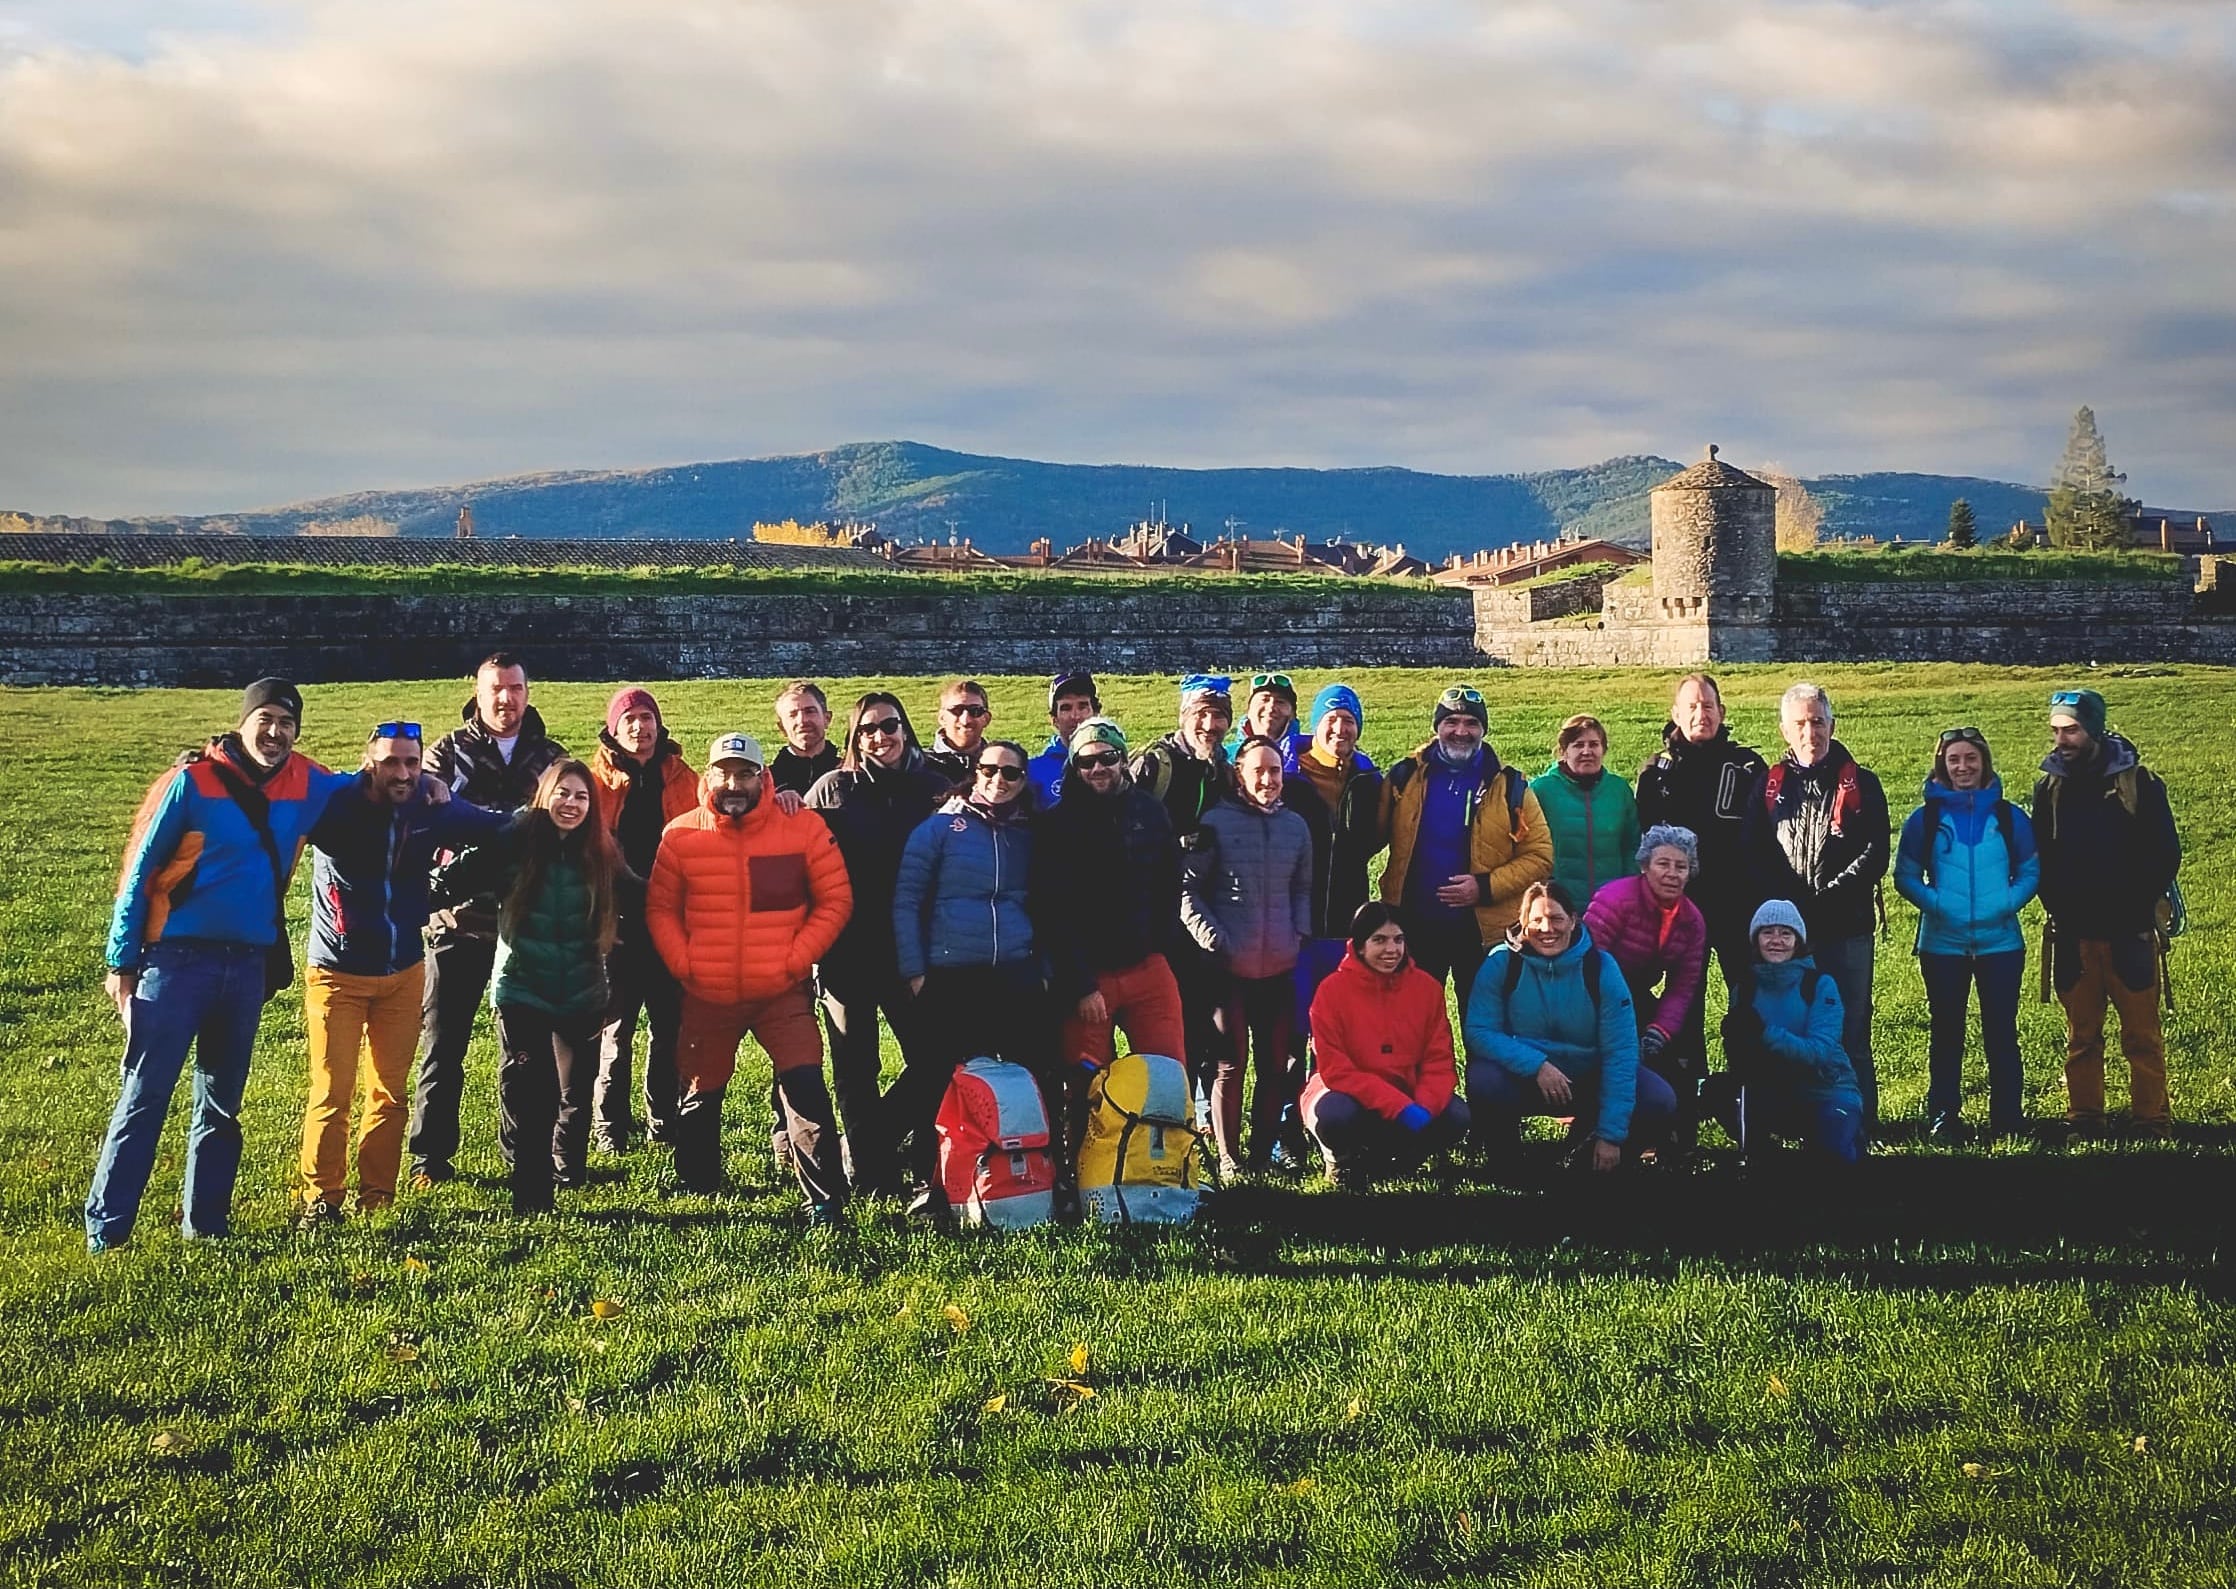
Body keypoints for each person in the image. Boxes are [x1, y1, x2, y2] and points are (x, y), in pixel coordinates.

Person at [89, 679, 359, 1252]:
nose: (275, 731)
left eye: (286, 722)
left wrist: (426, 783)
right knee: (145, 1095)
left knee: (221, 1105)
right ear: (242, 722)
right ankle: (107, 1232)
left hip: (246, 967)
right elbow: (140, 872)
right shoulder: (194, 783)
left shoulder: (308, 783)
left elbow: (368, 785)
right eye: (264, 718)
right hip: (175, 963)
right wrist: (122, 960)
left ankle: (206, 1226)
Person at [297, 722, 508, 1229]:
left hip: (403, 971)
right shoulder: (337, 801)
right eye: (391, 761)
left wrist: (555, 812)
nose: (403, 773)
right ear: (368, 760)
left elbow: (494, 826)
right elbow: (281, 794)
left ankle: (377, 1197)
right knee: (333, 1090)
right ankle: (321, 1200)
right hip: (337, 972)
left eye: (412, 763)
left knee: (389, 1092)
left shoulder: (428, 806)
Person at [646, 733, 854, 1216]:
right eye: (724, 772)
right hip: (707, 993)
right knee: (702, 1086)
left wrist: (797, 957)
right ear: (708, 776)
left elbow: (835, 899)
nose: (734, 783)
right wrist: (686, 963)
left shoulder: (800, 828)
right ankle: (700, 1184)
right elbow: (660, 909)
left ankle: (824, 1199)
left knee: (804, 1086)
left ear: (764, 778)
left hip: (781, 992)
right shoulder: (679, 835)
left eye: (745, 773)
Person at [410, 652, 568, 1187]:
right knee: (443, 1043)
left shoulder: (549, 757)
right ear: (477, 694)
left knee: (523, 1051)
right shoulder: (447, 753)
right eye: (496, 689)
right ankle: (429, 1157)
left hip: (525, 926)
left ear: (528, 690)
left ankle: (523, 1154)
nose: (507, 699)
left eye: (516, 688)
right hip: (457, 921)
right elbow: (427, 822)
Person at [889, 739, 1052, 1214]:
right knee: (938, 1083)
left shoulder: (1029, 833)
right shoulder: (940, 828)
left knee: (1031, 1076)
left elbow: (1044, 904)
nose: (998, 781)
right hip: (951, 973)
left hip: (1015, 972)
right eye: (988, 770)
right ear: (974, 772)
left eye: (1010, 774)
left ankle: (1028, 1176)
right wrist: (915, 971)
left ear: (1024, 781)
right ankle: (933, 1184)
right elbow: (906, 900)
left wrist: (1042, 969)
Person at [802, 692, 952, 1195]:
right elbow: (797, 856)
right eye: (867, 729)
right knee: (854, 1066)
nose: (879, 737)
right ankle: (872, 1176)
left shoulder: (935, 788)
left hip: (914, 950)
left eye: (889, 725)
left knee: (934, 1057)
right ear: (853, 736)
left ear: (905, 728)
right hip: (846, 952)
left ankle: (888, 1144)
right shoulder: (831, 790)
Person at [2030, 688, 2181, 1136]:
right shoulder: (2049, 787)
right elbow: (2041, 858)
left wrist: (2135, 908)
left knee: (2142, 1037)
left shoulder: (2141, 784)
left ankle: (2151, 1119)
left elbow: (2165, 854)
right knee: (2081, 1038)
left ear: (2093, 730)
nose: (2062, 740)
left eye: (2071, 730)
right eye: (2057, 730)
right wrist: (2060, 908)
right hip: (2074, 934)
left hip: (2130, 932)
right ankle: (2085, 1117)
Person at [1032, 717, 1186, 1151]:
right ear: (1073, 767)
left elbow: (1170, 884)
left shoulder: (1150, 812)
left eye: (1107, 758)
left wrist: (1160, 947)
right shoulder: (1058, 824)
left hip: (1147, 965)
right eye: (1085, 762)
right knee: (1085, 1081)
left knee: (1167, 1071)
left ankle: (1170, 1165)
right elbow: (1053, 911)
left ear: (1122, 758)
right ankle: (1086, 1171)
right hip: (1089, 977)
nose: (1097, 769)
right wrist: (1080, 984)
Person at [482, 760, 623, 1214]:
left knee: (575, 1091)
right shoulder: (514, 843)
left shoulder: (602, 852)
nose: (572, 804)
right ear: (544, 797)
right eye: (563, 793)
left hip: (582, 991)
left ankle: (569, 1169)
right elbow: (461, 874)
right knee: (534, 1093)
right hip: (523, 987)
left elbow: (641, 894)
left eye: (582, 797)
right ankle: (532, 1194)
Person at [1750, 681, 1889, 1126]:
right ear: (1784, 731)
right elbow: (1753, 849)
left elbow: (1875, 854)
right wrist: (1790, 905)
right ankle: (1800, 1117)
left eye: (1817, 721)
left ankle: (1859, 1118)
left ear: (1832, 724)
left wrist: (1826, 900)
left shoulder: (1862, 783)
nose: (1810, 732)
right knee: (1792, 1026)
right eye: (1800, 724)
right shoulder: (1770, 785)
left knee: (1851, 1025)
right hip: (1790, 934)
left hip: (1845, 926)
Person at [1462, 880, 1673, 1172]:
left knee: (1658, 1098)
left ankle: (1592, 1156)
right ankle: (1506, 1163)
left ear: (1574, 921)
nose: (1547, 929)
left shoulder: (1602, 968)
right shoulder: (1501, 963)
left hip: (1589, 1076)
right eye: (1536, 920)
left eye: (1556, 918)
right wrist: (1537, 1065)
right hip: (1527, 1077)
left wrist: (1612, 1135)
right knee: (1483, 1078)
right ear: (1523, 923)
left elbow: (1621, 1053)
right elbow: (1478, 1030)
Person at [1893, 726, 2040, 1142]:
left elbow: (2031, 871)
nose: (1963, 767)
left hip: (2001, 943)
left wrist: (2006, 904)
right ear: (1942, 764)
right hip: (1942, 944)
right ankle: (1944, 1115)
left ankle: (2008, 1117)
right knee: (1946, 1032)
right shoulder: (1925, 820)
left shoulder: (2010, 817)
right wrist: (1939, 905)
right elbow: (1904, 876)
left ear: (1984, 763)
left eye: (1970, 759)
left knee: (2001, 1032)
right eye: (1954, 759)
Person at [1181, 735, 1313, 1178]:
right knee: (1229, 1065)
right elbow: (1187, 890)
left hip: (1279, 966)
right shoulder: (1215, 822)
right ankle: (1229, 1158)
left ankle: (1261, 1157)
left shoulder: (1296, 826)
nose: (1267, 779)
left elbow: (1303, 887)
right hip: (1227, 969)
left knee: (1275, 1064)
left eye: (1274, 771)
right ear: (1239, 774)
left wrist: (1299, 931)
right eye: (1257, 770)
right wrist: (1212, 938)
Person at [1379, 684, 1554, 1012]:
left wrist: (1484, 887)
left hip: (1481, 933)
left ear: (1483, 730)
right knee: (1412, 1023)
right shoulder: (1404, 777)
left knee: (1483, 1028)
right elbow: (1369, 836)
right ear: (1437, 727)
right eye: (1452, 722)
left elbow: (1540, 855)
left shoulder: (1510, 786)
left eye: (1471, 723)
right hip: (1414, 928)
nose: (1461, 731)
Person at [1634, 672, 1768, 1082]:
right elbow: (1645, 846)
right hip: (1680, 910)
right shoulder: (1656, 772)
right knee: (1683, 1003)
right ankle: (1686, 1094)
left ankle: (1745, 1091)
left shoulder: (1748, 766)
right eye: (1691, 706)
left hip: (1737, 905)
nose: (1700, 714)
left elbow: (1765, 837)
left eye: (1708, 706)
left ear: (1721, 711)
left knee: (1747, 999)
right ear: (1675, 714)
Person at [585, 686, 699, 1153]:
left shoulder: (682, 776)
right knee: (616, 1028)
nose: (640, 727)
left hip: (672, 921)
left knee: (669, 1027)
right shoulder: (596, 781)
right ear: (614, 728)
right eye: (629, 720)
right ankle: (609, 1124)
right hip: (617, 924)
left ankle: (663, 1121)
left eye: (647, 718)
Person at [1300, 904, 1469, 1188]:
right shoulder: (1331, 991)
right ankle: (1340, 1159)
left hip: (1408, 1091)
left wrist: (1425, 1106)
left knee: (1456, 1115)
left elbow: (1439, 1060)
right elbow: (1336, 1070)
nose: (1392, 949)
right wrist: (1397, 1106)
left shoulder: (1427, 988)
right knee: (1333, 1115)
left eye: (1399, 939)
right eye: (1379, 940)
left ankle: (1404, 1157)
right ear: (1359, 946)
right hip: (1346, 1094)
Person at [1131, 674, 1236, 1096]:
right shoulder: (1155, 765)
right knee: (1167, 1023)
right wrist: (1175, 845)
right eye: (1202, 714)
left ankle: (1204, 1110)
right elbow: (1125, 829)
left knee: (1205, 1018)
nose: (1210, 725)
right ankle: (1169, 1106)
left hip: (1209, 914)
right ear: (1183, 716)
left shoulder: (1223, 771)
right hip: (1157, 920)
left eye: (1219, 716)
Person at [1709, 900, 1864, 1166]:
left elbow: (1819, 1052)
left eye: (1785, 933)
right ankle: (1764, 1155)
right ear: (1756, 939)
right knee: (1717, 1090)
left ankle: (1847, 1135)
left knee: (1835, 1159)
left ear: (1798, 940)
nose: (1776, 941)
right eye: (1767, 932)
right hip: (1775, 1087)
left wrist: (1765, 1033)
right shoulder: (1744, 988)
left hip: (1825, 1088)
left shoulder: (1819, 985)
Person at [1582, 824, 1708, 1144]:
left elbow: (1683, 985)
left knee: (1675, 1060)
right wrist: (1616, 1021)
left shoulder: (1693, 921)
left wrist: (1660, 1030)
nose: (1672, 874)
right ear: (1644, 865)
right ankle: (1591, 1131)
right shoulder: (1615, 899)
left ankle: (1672, 1144)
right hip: (1594, 995)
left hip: (1637, 994)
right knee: (1615, 1057)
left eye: (1681, 866)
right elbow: (1588, 963)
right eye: (1663, 864)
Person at [1532, 714, 1642, 904]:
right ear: (1564, 751)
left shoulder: (1619, 789)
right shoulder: (1541, 790)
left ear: (1603, 749)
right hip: (1559, 903)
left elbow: (1632, 844)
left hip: (1611, 901)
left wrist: (1627, 889)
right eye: (1578, 745)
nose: (1586, 751)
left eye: (1594, 744)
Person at [1027, 670, 1101, 805]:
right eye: (1066, 708)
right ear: (1054, 720)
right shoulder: (1034, 771)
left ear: (1096, 713)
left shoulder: (1112, 764)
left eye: (1083, 706)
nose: (1075, 716)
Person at [769, 680, 840, 798]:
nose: (802, 721)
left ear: (827, 719)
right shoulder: (767, 784)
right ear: (782, 727)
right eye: (792, 714)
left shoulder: (850, 775)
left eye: (810, 711)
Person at [923, 679, 994, 788]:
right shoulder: (919, 764)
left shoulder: (1001, 766)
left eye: (975, 711)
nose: (965, 720)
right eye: (956, 710)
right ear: (942, 718)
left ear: (986, 719)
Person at [1238, 672, 1304, 757]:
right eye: (1264, 699)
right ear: (1249, 710)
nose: (1271, 707)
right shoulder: (1226, 758)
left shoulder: (1308, 757)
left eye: (1280, 702)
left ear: (1293, 714)